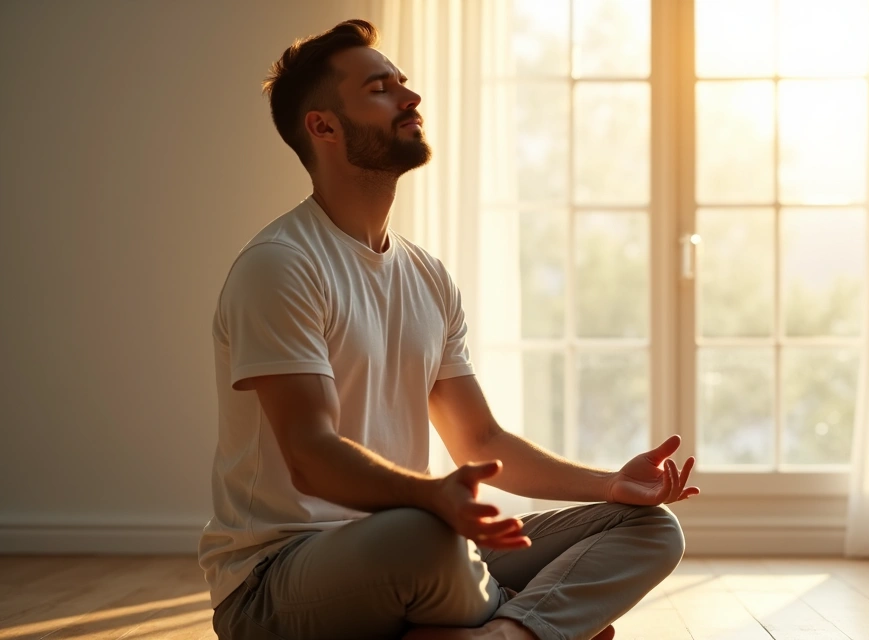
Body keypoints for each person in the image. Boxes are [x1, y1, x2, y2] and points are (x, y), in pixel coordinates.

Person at [198, 18, 699, 640]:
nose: (410, 98)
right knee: (427, 535)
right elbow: (311, 456)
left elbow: (481, 438)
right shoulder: (280, 265)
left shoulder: (426, 275)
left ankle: (505, 632)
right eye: (380, 89)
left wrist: (610, 484)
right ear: (323, 126)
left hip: (413, 550)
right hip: (278, 581)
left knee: (646, 528)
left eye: (402, 83)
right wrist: (433, 498)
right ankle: (532, 621)